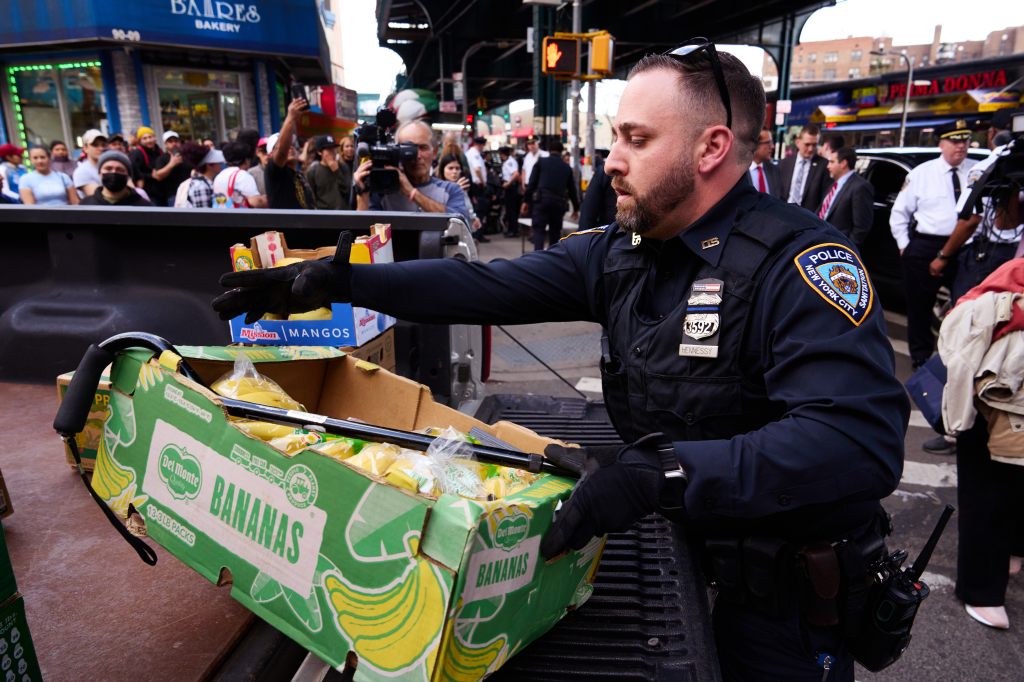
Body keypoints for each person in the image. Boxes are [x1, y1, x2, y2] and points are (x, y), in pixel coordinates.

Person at [213, 42, 907, 682]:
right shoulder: (626, 251)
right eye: (615, 138)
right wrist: (342, 283)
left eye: (637, 140)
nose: (611, 160)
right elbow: (483, 285)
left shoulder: (801, 264)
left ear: (711, 148)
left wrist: (663, 474)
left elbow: (856, 442)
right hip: (678, 563)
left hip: (776, 613)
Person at [891, 120, 976, 455]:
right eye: (954, 142)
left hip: (964, 248)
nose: (961, 147)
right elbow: (899, 213)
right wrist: (905, 246)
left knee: (962, 310)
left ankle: (954, 360)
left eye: (965, 141)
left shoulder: (976, 172)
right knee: (920, 306)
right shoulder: (923, 173)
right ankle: (921, 359)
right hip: (925, 245)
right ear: (942, 143)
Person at [929, 109, 1022, 304]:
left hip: (990, 255)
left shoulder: (988, 166)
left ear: (992, 134)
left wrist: (943, 256)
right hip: (1012, 255)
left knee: (970, 314)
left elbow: (970, 219)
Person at [354, 120, 472, 224]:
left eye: (423, 148)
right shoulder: (384, 191)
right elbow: (363, 236)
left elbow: (461, 224)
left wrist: (411, 192)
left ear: (435, 152)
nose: (417, 156)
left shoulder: (451, 190)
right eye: (409, 149)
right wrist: (362, 195)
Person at [522, 140, 579, 250]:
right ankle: (551, 262)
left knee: (539, 232)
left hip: (541, 201)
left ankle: (537, 260)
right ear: (561, 152)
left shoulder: (541, 162)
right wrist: (576, 208)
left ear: (549, 151)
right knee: (555, 234)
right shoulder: (566, 168)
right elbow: (572, 190)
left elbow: (531, 184)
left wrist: (526, 201)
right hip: (558, 203)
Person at [265, 98, 316, 210]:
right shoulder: (274, 172)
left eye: (291, 144)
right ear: (271, 154)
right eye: (286, 146)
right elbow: (281, 152)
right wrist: (291, 117)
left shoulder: (298, 175)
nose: (290, 147)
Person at [819, 147, 873, 247]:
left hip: (840, 247)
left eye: (832, 162)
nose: (828, 166)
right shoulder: (833, 184)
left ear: (843, 163)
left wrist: (847, 247)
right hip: (823, 242)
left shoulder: (860, 187)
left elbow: (862, 226)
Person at [780, 124, 831, 210]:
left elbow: (825, 198)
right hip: (784, 214)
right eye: (807, 144)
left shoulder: (824, 166)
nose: (811, 149)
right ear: (797, 142)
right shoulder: (785, 164)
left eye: (814, 145)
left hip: (809, 218)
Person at [80, 151, 153, 206]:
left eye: (120, 169)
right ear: (100, 173)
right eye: (108, 168)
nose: (114, 172)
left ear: (128, 176)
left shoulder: (144, 207)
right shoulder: (86, 205)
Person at [436, 152, 483, 234]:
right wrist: (455, 191)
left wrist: (473, 217)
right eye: (450, 168)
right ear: (443, 169)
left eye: (457, 168)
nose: (454, 172)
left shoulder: (462, 186)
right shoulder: (437, 187)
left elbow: (467, 207)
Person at [213, 141, 267, 208]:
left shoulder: (219, 176)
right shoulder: (242, 175)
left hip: (221, 216)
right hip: (239, 217)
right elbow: (256, 202)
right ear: (246, 160)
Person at [306, 135, 352, 210]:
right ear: (319, 152)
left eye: (334, 149)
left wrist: (336, 171)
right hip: (323, 214)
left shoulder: (343, 167)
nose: (332, 152)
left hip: (343, 213)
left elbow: (348, 191)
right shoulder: (313, 171)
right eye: (328, 149)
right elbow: (311, 197)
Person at [150, 131, 192, 207]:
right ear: (165, 144)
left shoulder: (187, 156)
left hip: (190, 192)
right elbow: (158, 175)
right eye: (170, 141)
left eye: (176, 141)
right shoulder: (162, 158)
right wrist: (171, 164)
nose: (174, 144)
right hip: (173, 195)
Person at [180, 141, 224, 208]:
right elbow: (204, 216)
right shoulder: (200, 186)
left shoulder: (208, 182)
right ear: (209, 165)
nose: (221, 164)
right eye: (218, 162)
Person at [73, 129, 107, 198]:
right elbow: (99, 198)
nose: (101, 148)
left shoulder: (110, 166)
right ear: (85, 148)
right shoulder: (82, 171)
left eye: (103, 145)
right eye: (95, 145)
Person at [749, 129, 783, 199]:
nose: (772, 146)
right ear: (755, 145)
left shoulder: (774, 170)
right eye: (768, 143)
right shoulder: (739, 172)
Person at [129, 126, 160, 193]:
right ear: (140, 141)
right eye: (144, 138)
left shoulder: (159, 151)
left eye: (150, 137)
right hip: (147, 190)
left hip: (161, 189)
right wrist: (150, 175)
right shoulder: (137, 153)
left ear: (154, 138)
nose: (148, 140)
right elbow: (134, 172)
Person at [499, 146, 522, 236]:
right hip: (509, 188)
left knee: (512, 210)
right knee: (510, 210)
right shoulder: (508, 161)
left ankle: (513, 230)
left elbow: (516, 174)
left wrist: (508, 183)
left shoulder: (510, 162)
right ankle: (511, 229)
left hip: (511, 188)